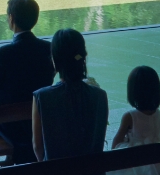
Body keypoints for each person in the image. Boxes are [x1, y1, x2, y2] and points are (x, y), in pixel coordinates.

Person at [0, 0, 55, 164]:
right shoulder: (49, 49)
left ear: (11, 18)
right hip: (41, 121)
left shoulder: (1, 54)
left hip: (9, 126)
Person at [31, 29, 109, 166]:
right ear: (82, 57)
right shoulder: (100, 96)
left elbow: (38, 147)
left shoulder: (41, 97)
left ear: (55, 59)